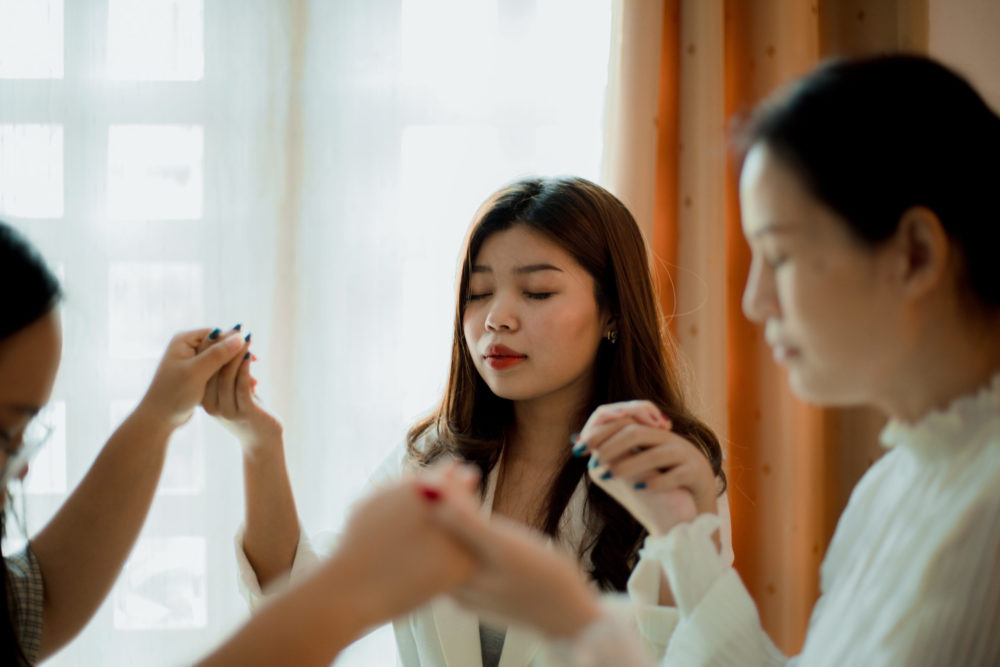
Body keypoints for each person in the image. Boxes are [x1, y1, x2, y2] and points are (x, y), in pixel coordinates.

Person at [423, 54, 1000, 666]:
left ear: (913, 253)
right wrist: (685, 537)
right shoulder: (895, 485)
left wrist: (577, 617)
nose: (754, 301)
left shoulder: (982, 507)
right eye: (479, 292)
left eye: (780, 254)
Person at [219, 176, 733, 665]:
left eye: (537, 292)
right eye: (479, 292)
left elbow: (692, 655)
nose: (496, 318)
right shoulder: (429, 460)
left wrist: (691, 529)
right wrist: (259, 443)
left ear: (614, 312)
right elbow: (295, 603)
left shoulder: (668, 473)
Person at [0, 220, 480, 666]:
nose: (21, 469)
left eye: (539, 291)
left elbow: (36, 603)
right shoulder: (425, 458)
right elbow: (286, 589)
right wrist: (347, 585)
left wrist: (167, 415)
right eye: (5, 435)